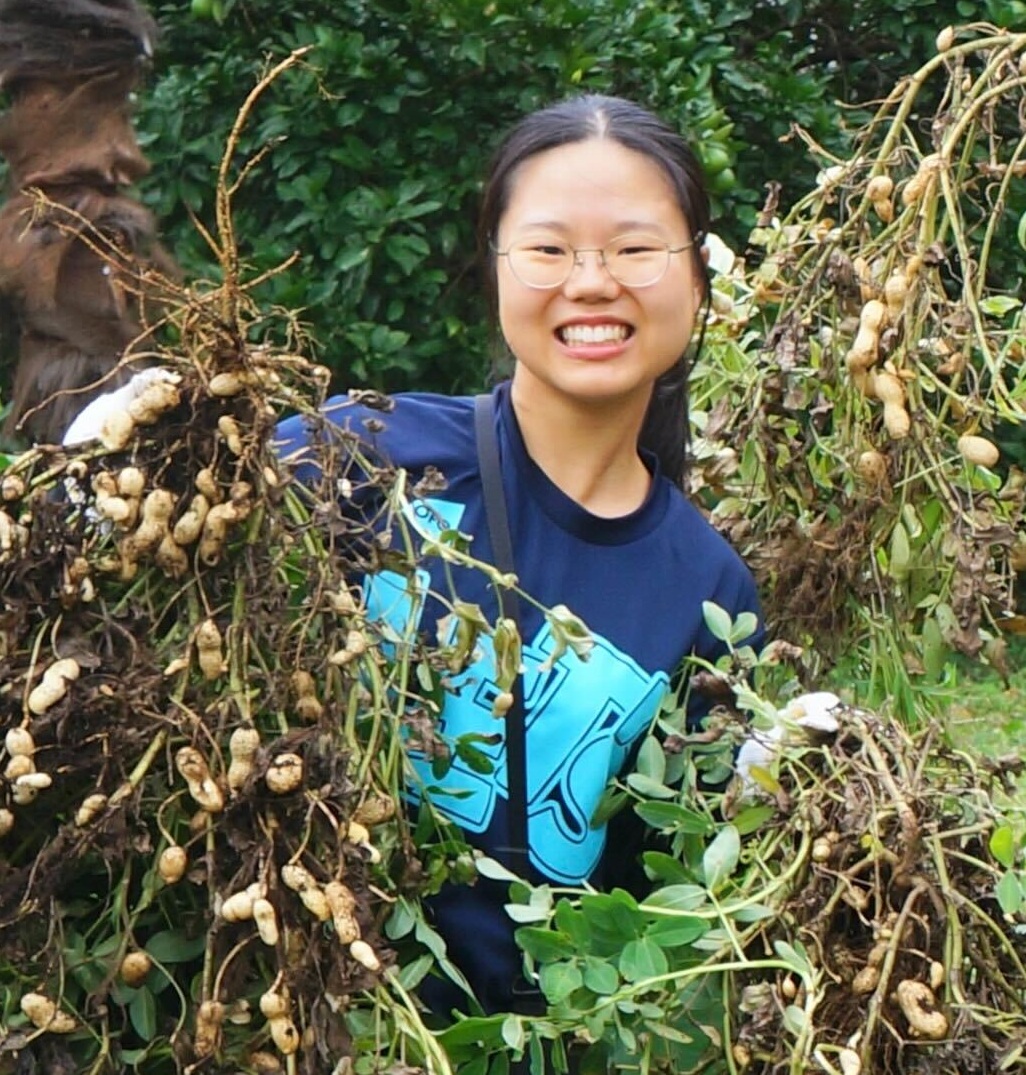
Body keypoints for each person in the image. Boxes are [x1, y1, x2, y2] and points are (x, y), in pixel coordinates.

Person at [274, 93, 763, 1020]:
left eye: (633, 248)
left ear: (696, 278)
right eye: (548, 249)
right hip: (300, 1024)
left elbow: (665, 907)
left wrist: (770, 793)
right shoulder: (355, 455)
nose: (591, 281)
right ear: (496, 269)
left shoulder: (707, 589)